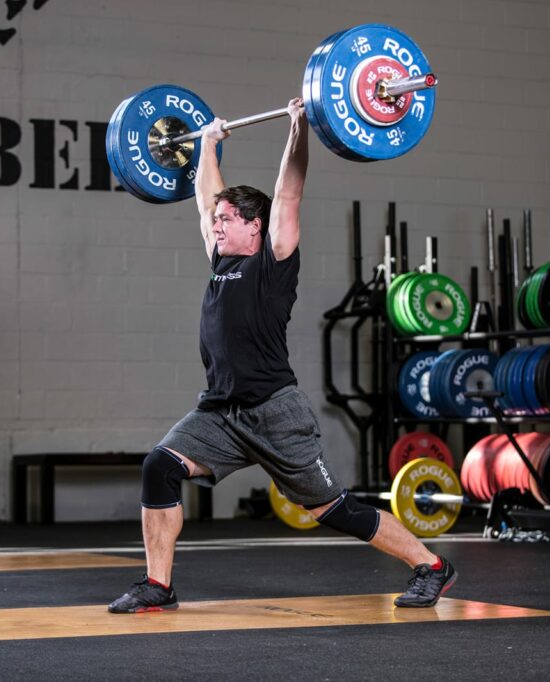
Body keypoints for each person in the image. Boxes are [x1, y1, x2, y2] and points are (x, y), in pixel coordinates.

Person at [108, 97, 456, 614]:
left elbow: (288, 191)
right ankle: (159, 584)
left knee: (329, 509)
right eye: (218, 219)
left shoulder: (273, 260)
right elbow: (205, 197)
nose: (217, 224)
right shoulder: (219, 260)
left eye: (229, 219)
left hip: (275, 411)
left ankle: (431, 565)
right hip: (220, 412)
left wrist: (299, 128)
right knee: (159, 466)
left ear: (256, 226)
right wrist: (206, 145)